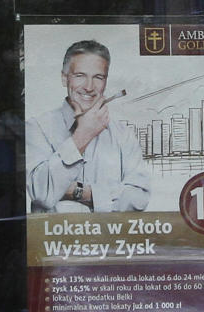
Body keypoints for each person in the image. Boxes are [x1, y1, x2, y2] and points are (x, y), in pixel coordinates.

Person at [26, 39, 150, 213]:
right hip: (54, 239)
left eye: (98, 77)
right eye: (80, 76)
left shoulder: (124, 135)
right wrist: (83, 135)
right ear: (64, 78)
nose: (89, 87)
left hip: (109, 239)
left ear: (106, 81)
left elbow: (139, 199)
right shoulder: (36, 127)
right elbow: (41, 192)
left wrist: (82, 192)